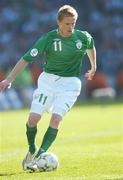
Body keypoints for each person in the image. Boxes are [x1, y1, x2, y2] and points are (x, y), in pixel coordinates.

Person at [0, 5, 96, 171]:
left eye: (73, 23)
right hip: (48, 82)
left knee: (56, 119)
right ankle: (32, 150)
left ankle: (38, 156)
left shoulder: (82, 37)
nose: (70, 27)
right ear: (58, 22)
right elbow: (26, 59)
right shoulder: (48, 39)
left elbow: (91, 46)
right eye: (67, 24)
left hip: (70, 84)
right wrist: (9, 78)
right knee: (33, 120)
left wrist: (93, 66)